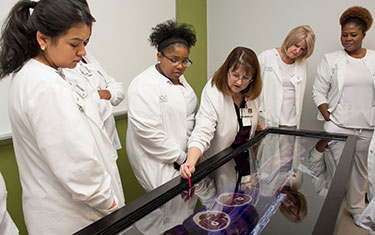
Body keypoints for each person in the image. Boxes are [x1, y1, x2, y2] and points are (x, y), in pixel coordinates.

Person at [0, 0, 125, 234]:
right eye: (74, 44)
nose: (83, 52)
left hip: (58, 209)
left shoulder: (35, 74)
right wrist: (110, 203)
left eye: (85, 43)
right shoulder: (46, 85)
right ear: (43, 39)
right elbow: (76, 164)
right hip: (74, 216)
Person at [312, 6, 375, 225]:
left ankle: (358, 210)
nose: (347, 39)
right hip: (339, 126)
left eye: (353, 35)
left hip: (367, 127)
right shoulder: (331, 59)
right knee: (337, 174)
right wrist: (329, 117)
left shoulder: (374, 59)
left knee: (361, 171)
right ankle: (333, 213)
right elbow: (318, 91)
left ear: (363, 35)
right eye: (344, 34)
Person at [126, 20, 198, 192]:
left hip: (185, 162)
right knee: (165, 212)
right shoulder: (143, 85)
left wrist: (192, 156)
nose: (180, 66)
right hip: (158, 164)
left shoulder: (179, 80)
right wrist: (182, 157)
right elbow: (148, 133)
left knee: (184, 209)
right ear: (159, 56)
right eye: (174, 60)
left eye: (185, 61)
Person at [180, 46, 265, 179]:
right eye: (235, 75)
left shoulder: (252, 92)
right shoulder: (214, 91)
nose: (239, 82)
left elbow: (245, 117)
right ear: (227, 71)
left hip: (244, 164)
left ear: (252, 78)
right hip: (218, 166)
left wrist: (258, 125)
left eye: (245, 78)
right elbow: (203, 131)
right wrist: (190, 163)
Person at [63, 0, 125, 152]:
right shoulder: (59, 64)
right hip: (88, 147)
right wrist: (100, 98)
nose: (82, 50)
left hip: (106, 141)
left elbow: (118, 90)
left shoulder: (87, 56)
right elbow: (83, 109)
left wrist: (101, 94)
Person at [258, 25, 315, 129]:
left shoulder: (303, 64)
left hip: (291, 121)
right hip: (267, 117)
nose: (297, 51)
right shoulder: (266, 57)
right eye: (296, 45)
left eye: (302, 49)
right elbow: (253, 86)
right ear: (289, 40)